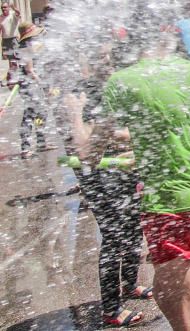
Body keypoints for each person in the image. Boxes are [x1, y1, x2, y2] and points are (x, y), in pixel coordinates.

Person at [88, 27, 190, 331]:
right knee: (186, 282)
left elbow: (92, 151)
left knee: (172, 298)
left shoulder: (122, 81)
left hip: (170, 204)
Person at [63, 50, 149, 328]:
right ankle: (111, 308)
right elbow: (82, 146)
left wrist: (126, 136)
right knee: (114, 238)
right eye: (100, 58)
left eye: (109, 57)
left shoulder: (116, 87)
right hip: (98, 173)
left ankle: (130, 284)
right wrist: (78, 116)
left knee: (135, 227)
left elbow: (123, 130)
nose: (107, 63)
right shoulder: (81, 93)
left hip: (121, 167)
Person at [12, 22, 45, 157]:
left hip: (27, 85)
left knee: (40, 114)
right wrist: (42, 83)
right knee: (30, 115)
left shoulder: (25, 46)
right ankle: (25, 149)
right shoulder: (26, 47)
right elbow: (30, 70)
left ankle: (41, 143)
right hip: (29, 86)